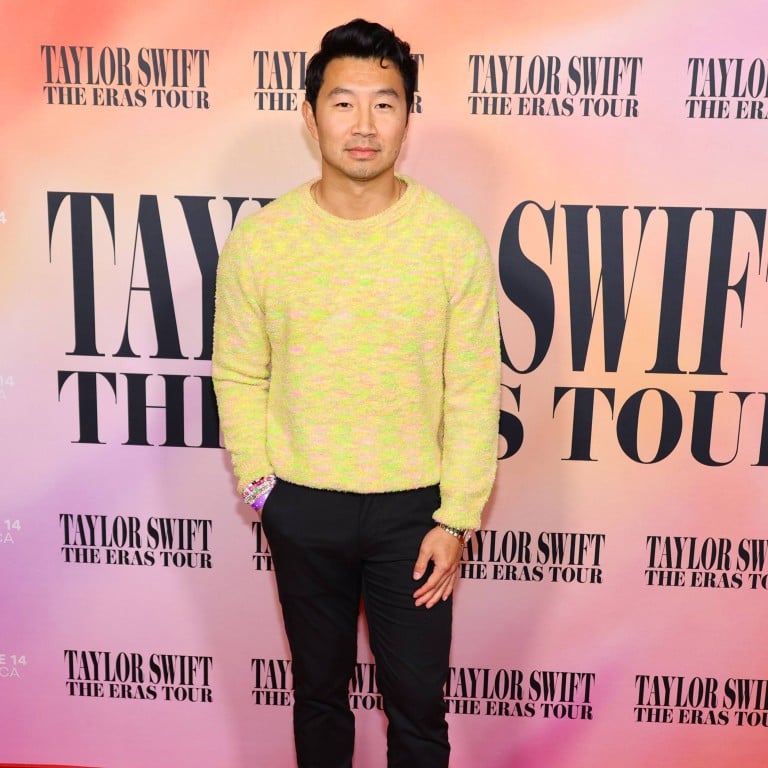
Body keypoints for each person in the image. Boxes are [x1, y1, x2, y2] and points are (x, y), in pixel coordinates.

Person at [212, 18, 500, 768]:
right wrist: (263, 485)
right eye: (343, 103)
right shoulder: (263, 241)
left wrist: (458, 516)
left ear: (409, 117)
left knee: (417, 710)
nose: (364, 125)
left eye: (385, 102)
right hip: (303, 501)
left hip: (417, 514)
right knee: (317, 696)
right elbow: (240, 372)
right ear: (310, 117)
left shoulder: (450, 241)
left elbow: (472, 390)